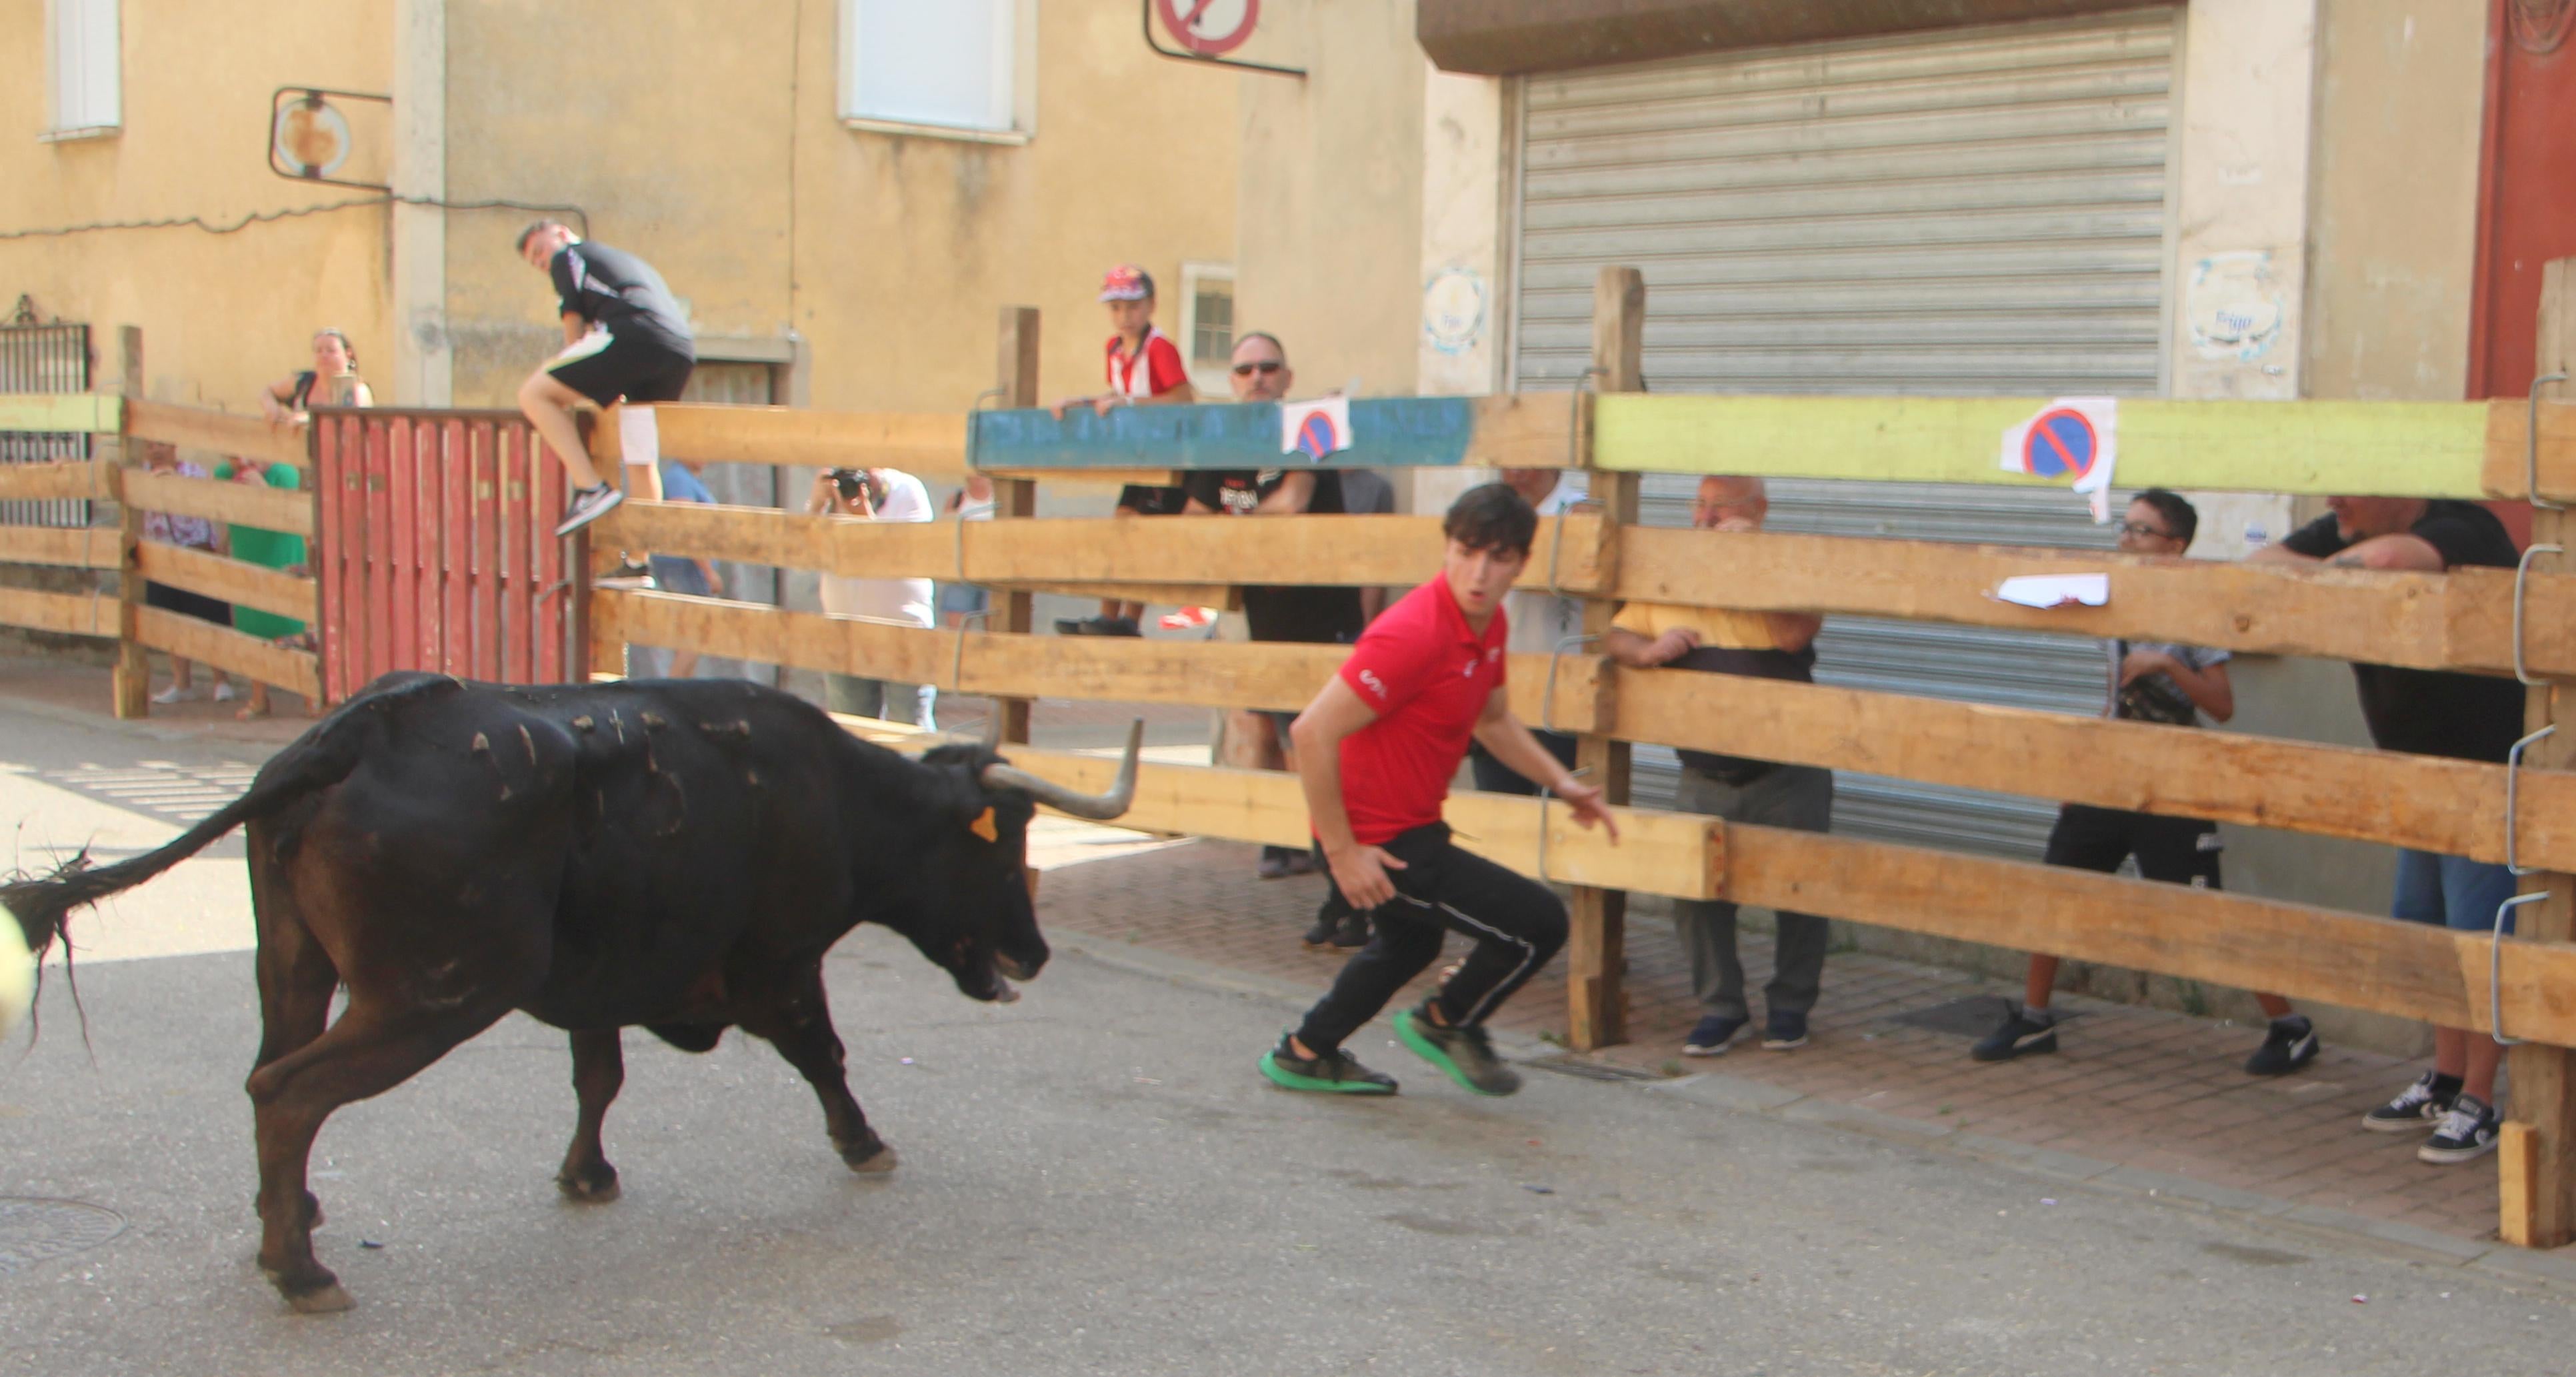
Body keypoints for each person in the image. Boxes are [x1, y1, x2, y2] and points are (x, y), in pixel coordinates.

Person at [1259, 483, 1619, 1096]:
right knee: (1537, 923)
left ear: (1522, 564)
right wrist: (1344, 853)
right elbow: (1311, 732)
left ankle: (1305, 1049)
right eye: (1466, 550)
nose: (1479, 573)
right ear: (1447, 546)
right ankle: (1447, 1021)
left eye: (1499, 557)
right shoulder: (1414, 634)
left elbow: (1495, 719)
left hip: (1412, 825)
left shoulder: (1488, 623)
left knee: (1408, 946)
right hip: (1379, 842)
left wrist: (1561, 782)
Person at [1973, 491, 2318, 1074]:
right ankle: (2034, 1018)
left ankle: (2290, 1026)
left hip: (2172, 784)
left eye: (2142, 531)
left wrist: (2169, 665)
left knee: (2201, 915)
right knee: (2059, 891)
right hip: (2110, 777)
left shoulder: (2196, 610)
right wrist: (2084, 771)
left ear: (2175, 546)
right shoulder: (2116, 603)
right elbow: (2114, 700)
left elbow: (2223, 705)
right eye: (2124, 528)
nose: (2126, 540)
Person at [2255, 494, 2527, 1163]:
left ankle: (2483, 1100)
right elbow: (2259, 564)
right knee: (2424, 930)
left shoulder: (2463, 525)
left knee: (2479, 942)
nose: (2331, 501)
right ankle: (2445, 1077)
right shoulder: (2350, 523)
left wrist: (2322, 571)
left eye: (2350, 487)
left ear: (2399, 490)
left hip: (2485, 779)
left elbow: (2386, 559)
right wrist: (2330, 564)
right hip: (2417, 778)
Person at [1603, 476, 1833, 1055]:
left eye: (1721, 507)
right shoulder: (1672, 573)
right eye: (1699, 507)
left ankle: (1790, 1007)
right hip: (1704, 773)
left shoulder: (1783, 568)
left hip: (1787, 770)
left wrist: (1750, 558)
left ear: (1757, 512)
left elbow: (1792, 634)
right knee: (1696, 894)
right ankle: (1721, 1007)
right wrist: (1648, 652)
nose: (1706, 519)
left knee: (1801, 891)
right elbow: (1616, 633)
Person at [1179, 333, 1368, 906]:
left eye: (1268, 367)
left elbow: (1293, 502)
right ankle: (1283, 839)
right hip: (1258, 615)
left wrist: (1231, 526)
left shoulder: (1309, 425)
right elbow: (1192, 519)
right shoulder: (1222, 445)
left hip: (1319, 617)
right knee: (1259, 729)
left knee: (1311, 739)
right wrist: (1241, 527)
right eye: (1244, 370)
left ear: (1288, 377)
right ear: (1231, 381)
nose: (1257, 377)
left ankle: (1330, 859)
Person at [513, 220, 696, 536]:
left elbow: (574, 326)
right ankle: (640, 561)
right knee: (640, 454)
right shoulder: (627, 262)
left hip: (634, 334)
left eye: (540, 251)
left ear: (561, 232)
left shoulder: (568, 257)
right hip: (678, 348)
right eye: (535, 262)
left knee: (534, 394)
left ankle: (590, 488)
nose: (542, 262)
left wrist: (571, 380)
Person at [1051, 265, 1195, 637]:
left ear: (1150, 306)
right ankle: (1109, 615)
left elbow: (1183, 399)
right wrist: (1080, 402)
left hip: (1167, 457)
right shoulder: (1113, 349)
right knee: (1120, 531)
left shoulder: (1160, 348)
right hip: (1140, 460)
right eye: (1115, 308)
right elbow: (1115, 397)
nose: (1124, 316)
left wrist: (1130, 404)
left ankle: (1130, 618)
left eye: (1132, 307)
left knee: (1143, 538)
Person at [1466, 467, 1586, 795]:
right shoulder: (1492, 510)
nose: (1514, 472)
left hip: (1559, 697)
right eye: (1508, 461)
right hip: (1499, 695)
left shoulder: (1579, 510)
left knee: (1560, 819)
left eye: (1526, 461)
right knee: (1500, 812)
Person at [808, 466, 936, 728]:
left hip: (905, 631)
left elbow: (906, 556)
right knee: (851, 736)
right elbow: (800, 553)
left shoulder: (907, 490)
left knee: (910, 732)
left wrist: (865, 519)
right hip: (845, 633)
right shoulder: (829, 496)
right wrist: (816, 507)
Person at [134, 441, 237, 705]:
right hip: (161, 555)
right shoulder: (141, 475)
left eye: (160, 446)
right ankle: (182, 682)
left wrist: (174, 482)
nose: (155, 451)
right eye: (150, 447)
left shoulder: (194, 472)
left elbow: (205, 504)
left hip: (197, 551)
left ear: (173, 447)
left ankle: (221, 680)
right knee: (171, 620)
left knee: (210, 617)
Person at [648, 459, 725, 680]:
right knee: (694, 634)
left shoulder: (688, 479)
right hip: (685, 567)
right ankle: (673, 691)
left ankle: (680, 689)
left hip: (687, 566)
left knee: (693, 635)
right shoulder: (679, 478)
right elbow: (685, 528)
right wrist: (708, 571)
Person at [257, 327, 373, 422]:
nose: (324, 355)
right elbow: (268, 392)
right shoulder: (303, 382)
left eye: (331, 350)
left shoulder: (358, 388)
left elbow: (350, 420)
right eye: (318, 351)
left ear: (348, 355)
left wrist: (310, 419)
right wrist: (272, 408)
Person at [939, 473, 996, 630]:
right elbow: (944, 535)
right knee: (956, 631)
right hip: (962, 571)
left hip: (995, 572)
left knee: (996, 626)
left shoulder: (1001, 499)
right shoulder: (957, 499)